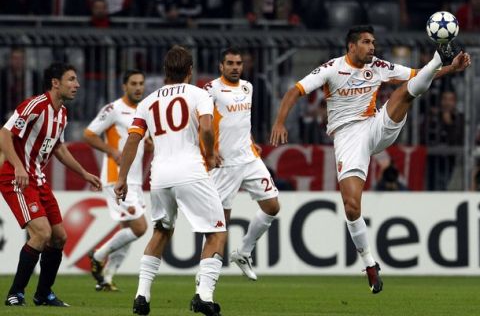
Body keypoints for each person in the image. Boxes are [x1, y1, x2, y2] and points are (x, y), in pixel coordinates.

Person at [270, 25, 471, 294]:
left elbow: (416, 76)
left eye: (373, 42)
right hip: (348, 137)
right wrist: (280, 122)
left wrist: (448, 68)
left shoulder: (378, 66)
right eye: (366, 42)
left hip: (375, 125)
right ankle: (369, 264)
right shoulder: (332, 68)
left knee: (405, 92)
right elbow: (295, 90)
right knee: (352, 207)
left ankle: (438, 54)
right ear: (351, 46)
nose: (372, 47)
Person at [114, 45, 227, 316]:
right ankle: (204, 296)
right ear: (190, 70)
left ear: (165, 72)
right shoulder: (199, 94)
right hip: (190, 171)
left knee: (161, 232)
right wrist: (210, 155)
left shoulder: (147, 101)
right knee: (216, 232)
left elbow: (132, 140)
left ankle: (141, 295)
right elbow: (208, 127)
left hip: (160, 176)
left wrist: (122, 178)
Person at [0, 62, 102, 307]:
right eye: (71, 79)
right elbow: (4, 134)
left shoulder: (62, 113)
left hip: (38, 179)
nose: (77, 85)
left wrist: (85, 173)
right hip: (16, 178)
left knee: (59, 237)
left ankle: (43, 294)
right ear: (55, 83)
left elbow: (59, 149)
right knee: (42, 233)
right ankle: (15, 293)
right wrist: (19, 166)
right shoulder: (35, 105)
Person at [203, 47, 280, 281]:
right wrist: (210, 151)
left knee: (272, 207)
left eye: (238, 63)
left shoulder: (248, 87)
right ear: (221, 66)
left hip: (249, 159)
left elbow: (241, 122)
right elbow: (201, 123)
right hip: (224, 165)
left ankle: (244, 252)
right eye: (230, 63)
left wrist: (252, 142)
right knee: (218, 227)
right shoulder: (210, 90)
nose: (235, 67)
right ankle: (205, 280)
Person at [83, 69, 149, 291]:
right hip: (116, 177)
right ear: (124, 86)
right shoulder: (113, 109)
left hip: (135, 179)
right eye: (134, 83)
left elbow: (143, 140)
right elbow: (89, 134)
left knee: (128, 230)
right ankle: (98, 254)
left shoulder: (144, 110)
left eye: (141, 83)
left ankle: (107, 278)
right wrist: (111, 150)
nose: (138, 87)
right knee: (140, 228)